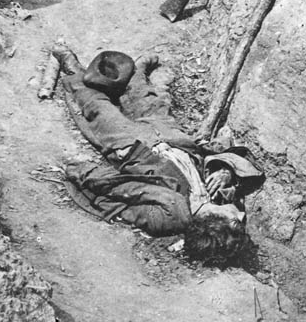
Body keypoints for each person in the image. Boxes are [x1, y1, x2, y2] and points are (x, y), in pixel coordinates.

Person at [53, 45, 264, 265]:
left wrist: (86, 173)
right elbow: (243, 164)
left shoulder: (170, 217)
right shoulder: (222, 196)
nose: (241, 216)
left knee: (99, 109)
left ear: (215, 222)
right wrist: (225, 171)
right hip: (173, 140)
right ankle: (136, 73)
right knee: (147, 100)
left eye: (236, 222)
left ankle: (73, 69)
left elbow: (125, 197)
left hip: (134, 149)